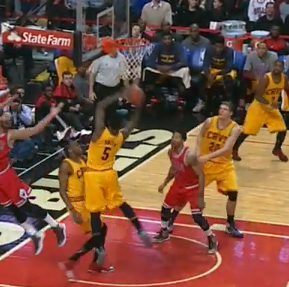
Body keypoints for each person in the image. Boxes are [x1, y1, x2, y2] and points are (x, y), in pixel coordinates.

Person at [61, 88, 152, 277]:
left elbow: (100, 107)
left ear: (107, 124)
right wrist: (138, 106)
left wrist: (118, 94)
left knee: (95, 212)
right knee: (121, 203)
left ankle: (99, 249)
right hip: (109, 174)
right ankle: (139, 228)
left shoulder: (99, 134)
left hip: (94, 175)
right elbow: (133, 124)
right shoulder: (120, 137)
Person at [0, 99, 66, 255]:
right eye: (6, 116)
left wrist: (51, 115)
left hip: (6, 176)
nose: (9, 119)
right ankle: (34, 234)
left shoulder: (11, 135)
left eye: (10, 118)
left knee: (25, 206)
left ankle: (56, 226)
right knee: (11, 208)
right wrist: (6, 101)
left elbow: (35, 129)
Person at [152, 131, 217, 253]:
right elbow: (173, 169)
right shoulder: (170, 152)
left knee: (197, 216)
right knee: (165, 209)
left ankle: (211, 237)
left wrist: (200, 197)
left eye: (176, 137)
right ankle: (164, 232)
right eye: (173, 137)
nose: (173, 139)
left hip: (192, 187)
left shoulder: (190, 155)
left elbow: (201, 176)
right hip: (178, 184)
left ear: (183, 140)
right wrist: (164, 183)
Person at [196, 103, 244, 238]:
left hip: (224, 165)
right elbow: (200, 135)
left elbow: (226, 149)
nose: (221, 111)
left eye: (225, 109)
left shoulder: (235, 128)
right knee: (188, 190)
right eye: (220, 108)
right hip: (206, 164)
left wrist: (207, 156)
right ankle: (169, 220)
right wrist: (198, 151)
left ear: (231, 113)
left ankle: (230, 224)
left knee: (233, 193)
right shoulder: (209, 121)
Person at [232, 58, 289, 163]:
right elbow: (258, 96)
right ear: (272, 66)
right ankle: (234, 149)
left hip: (271, 108)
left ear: (283, 68)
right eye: (276, 65)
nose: (277, 68)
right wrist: (270, 103)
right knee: (247, 131)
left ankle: (277, 149)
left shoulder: (284, 78)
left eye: (280, 66)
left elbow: (288, 91)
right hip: (258, 107)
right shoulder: (266, 78)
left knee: (283, 129)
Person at [57, 140, 91, 254]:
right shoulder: (66, 165)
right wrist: (72, 210)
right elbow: (62, 191)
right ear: (70, 150)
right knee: (97, 231)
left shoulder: (83, 159)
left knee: (98, 232)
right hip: (77, 204)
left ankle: (80, 256)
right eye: (77, 145)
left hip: (88, 201)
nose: (80, 146)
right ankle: (79, 256)